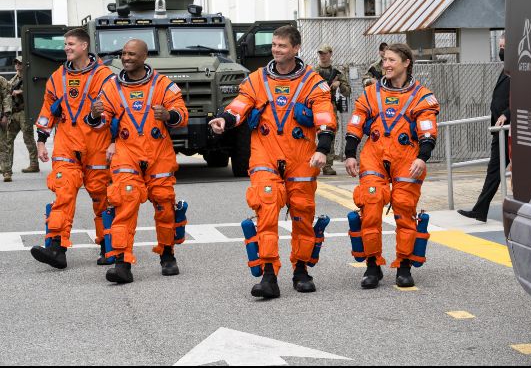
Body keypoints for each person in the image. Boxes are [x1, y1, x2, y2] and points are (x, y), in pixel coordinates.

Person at [209, 25, 336, 299]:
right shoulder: (257, 80)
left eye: (282, 45)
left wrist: (323, 149)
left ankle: (301, 270)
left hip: (301, 158)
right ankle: (269, 275)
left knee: (302, 214)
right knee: (266, 212)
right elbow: (240, 105)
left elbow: (325, 116)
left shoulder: (313, 82)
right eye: (274, 45)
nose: (276, 50)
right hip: (265, 155)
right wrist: (225, 119)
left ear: (296, 48)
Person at [87, 39, 189, 284]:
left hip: (158, 155)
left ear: (144, 57)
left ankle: (167, 254)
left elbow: (182, 115)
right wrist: (94, 114)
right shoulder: (111, 86)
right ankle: (122, 262)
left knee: (164, 205)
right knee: (124, 202)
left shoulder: (163, 85)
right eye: (124, 53)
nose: (126, 57)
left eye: (132, 54)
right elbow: (100, 124)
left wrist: (168, 115)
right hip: (127, 154)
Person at [344, 43, 440, 289]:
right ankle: (372, 265)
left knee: (404, 208)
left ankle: (404, 265)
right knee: (371, 206)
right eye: (384, 60)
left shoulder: (421, 96)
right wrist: (350, 154)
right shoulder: (370, 94)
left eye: (391, 60)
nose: (386, 64)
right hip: (374, 156)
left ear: (406, 63)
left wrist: (422, 157)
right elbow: (356, 124)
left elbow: (428, 131)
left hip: (407, 158)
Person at [29, 28, 114, 269]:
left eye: (71, 44)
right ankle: (56, 248)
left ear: (84, 46)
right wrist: (42, 140)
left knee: (102, 197)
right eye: (65, 44)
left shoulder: (104, 76)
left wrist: (115, 142)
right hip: (67, 144)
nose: (67, 48)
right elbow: (47, 109)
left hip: (97, 144)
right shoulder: (58, 76)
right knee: (63, 194)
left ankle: (109, 247)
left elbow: (116, 110)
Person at [458, 33, 510, 222]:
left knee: (497, 170)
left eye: (505, 46)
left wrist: (508, 114)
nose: (501, 50)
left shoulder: (520, 69)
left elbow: (525, 95)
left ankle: (481, 209)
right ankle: (480, 210)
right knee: (494, 171)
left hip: (509, 130)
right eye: (500, 46)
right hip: (500, 130)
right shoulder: (507, 69)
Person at [313, 43, 350, 176]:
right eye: (320, 53)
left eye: (325, 53)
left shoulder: (337, 73)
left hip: (330, 106)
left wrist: (339, 84)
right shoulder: (314, 72)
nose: (322, 56)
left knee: (329, 135)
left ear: (330, 54)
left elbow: (347, 92)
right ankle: (310, 163)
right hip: (315, 105)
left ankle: (327, 165)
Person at [1, 57, 39, 182]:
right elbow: (7, 91)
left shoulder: (28, 78)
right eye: (16, 63)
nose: (17, 64)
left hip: (23, 112)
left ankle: (34, 164)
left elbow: (33, 91)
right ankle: (6, 166)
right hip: (13, 113)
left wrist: (20, 92)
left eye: (20, 63)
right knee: (8, 139)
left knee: (28, 138)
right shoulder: (13, 79)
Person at [0, 74, 11, 181]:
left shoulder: (1, 80)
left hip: (0, 118)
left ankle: (6, 171)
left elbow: (6, 96)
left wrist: (6, 115)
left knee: (3, 146)